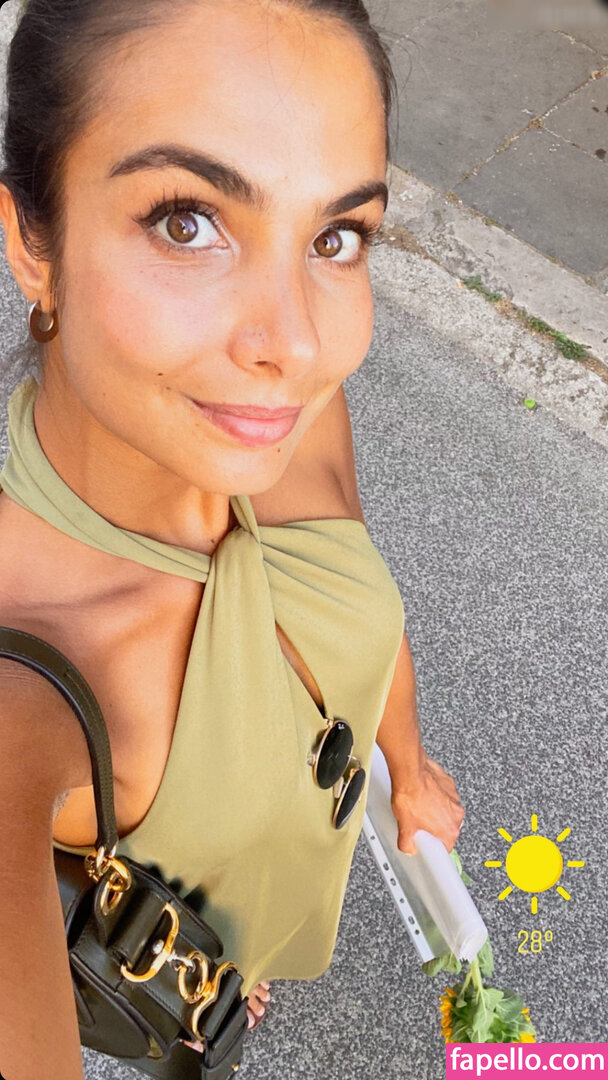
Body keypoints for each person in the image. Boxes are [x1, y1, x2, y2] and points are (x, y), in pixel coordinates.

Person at [0, 0, 465, 1076]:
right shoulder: (28, 688)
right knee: (220, 950)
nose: (296, 343)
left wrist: (406, 762)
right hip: (189, 950)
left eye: (335, 237)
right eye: (186, 222)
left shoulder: (278, 418)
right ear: (31, 241)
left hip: (301, 856)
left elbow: (356, 601)